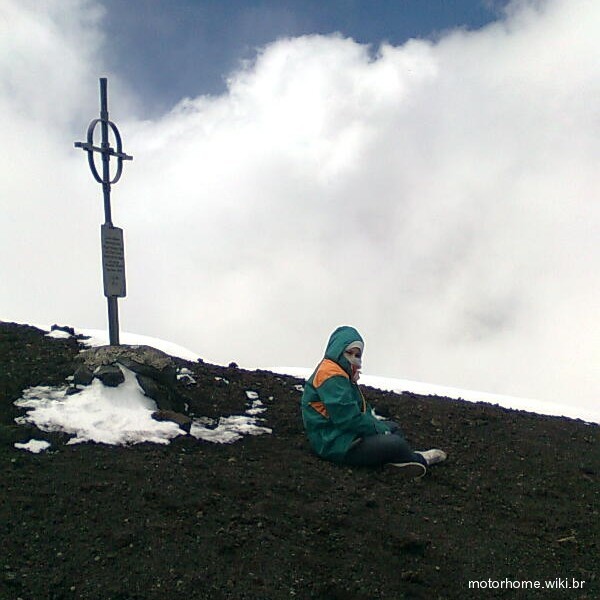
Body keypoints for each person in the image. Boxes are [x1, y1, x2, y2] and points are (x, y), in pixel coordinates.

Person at [301, 325, 447, 478]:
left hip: (344, 436)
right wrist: (378, 429)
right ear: (337, 350)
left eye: (357, 354)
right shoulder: (330, 376)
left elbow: (357, 411)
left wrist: (378, 427)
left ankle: (398, 460)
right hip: (334, 443)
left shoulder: (340, 373)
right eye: (350, 353)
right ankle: (420, 460)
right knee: (395, 443)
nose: (354, 358)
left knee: (393, 429)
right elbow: (347, 419)